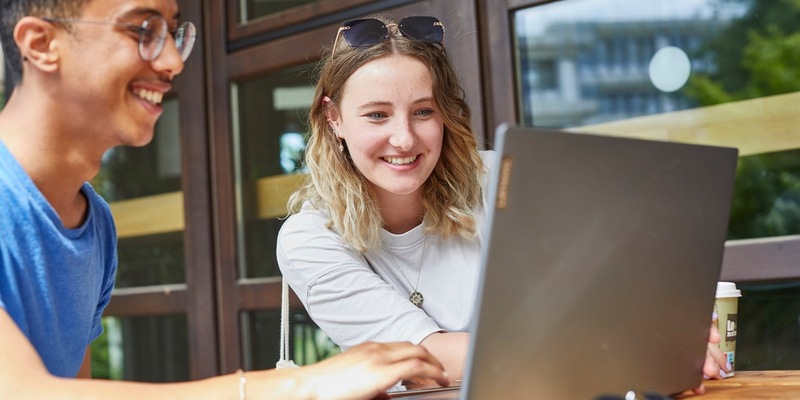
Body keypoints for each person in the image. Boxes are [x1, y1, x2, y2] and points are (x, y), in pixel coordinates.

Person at [0, 1, 449, 399]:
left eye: (173, 34)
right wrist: (301, 385)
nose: (174, 61)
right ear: (41, 44)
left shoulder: (90, 219)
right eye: (142, 30)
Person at [276, 14, 730, 391]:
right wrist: (625, 344)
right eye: (377, 114)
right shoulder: (309, 239)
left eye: (423, 111)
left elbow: (607, 278)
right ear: (333, 118)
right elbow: (420, 361)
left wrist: (669, 331)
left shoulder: (502, 178)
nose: (404, 138)